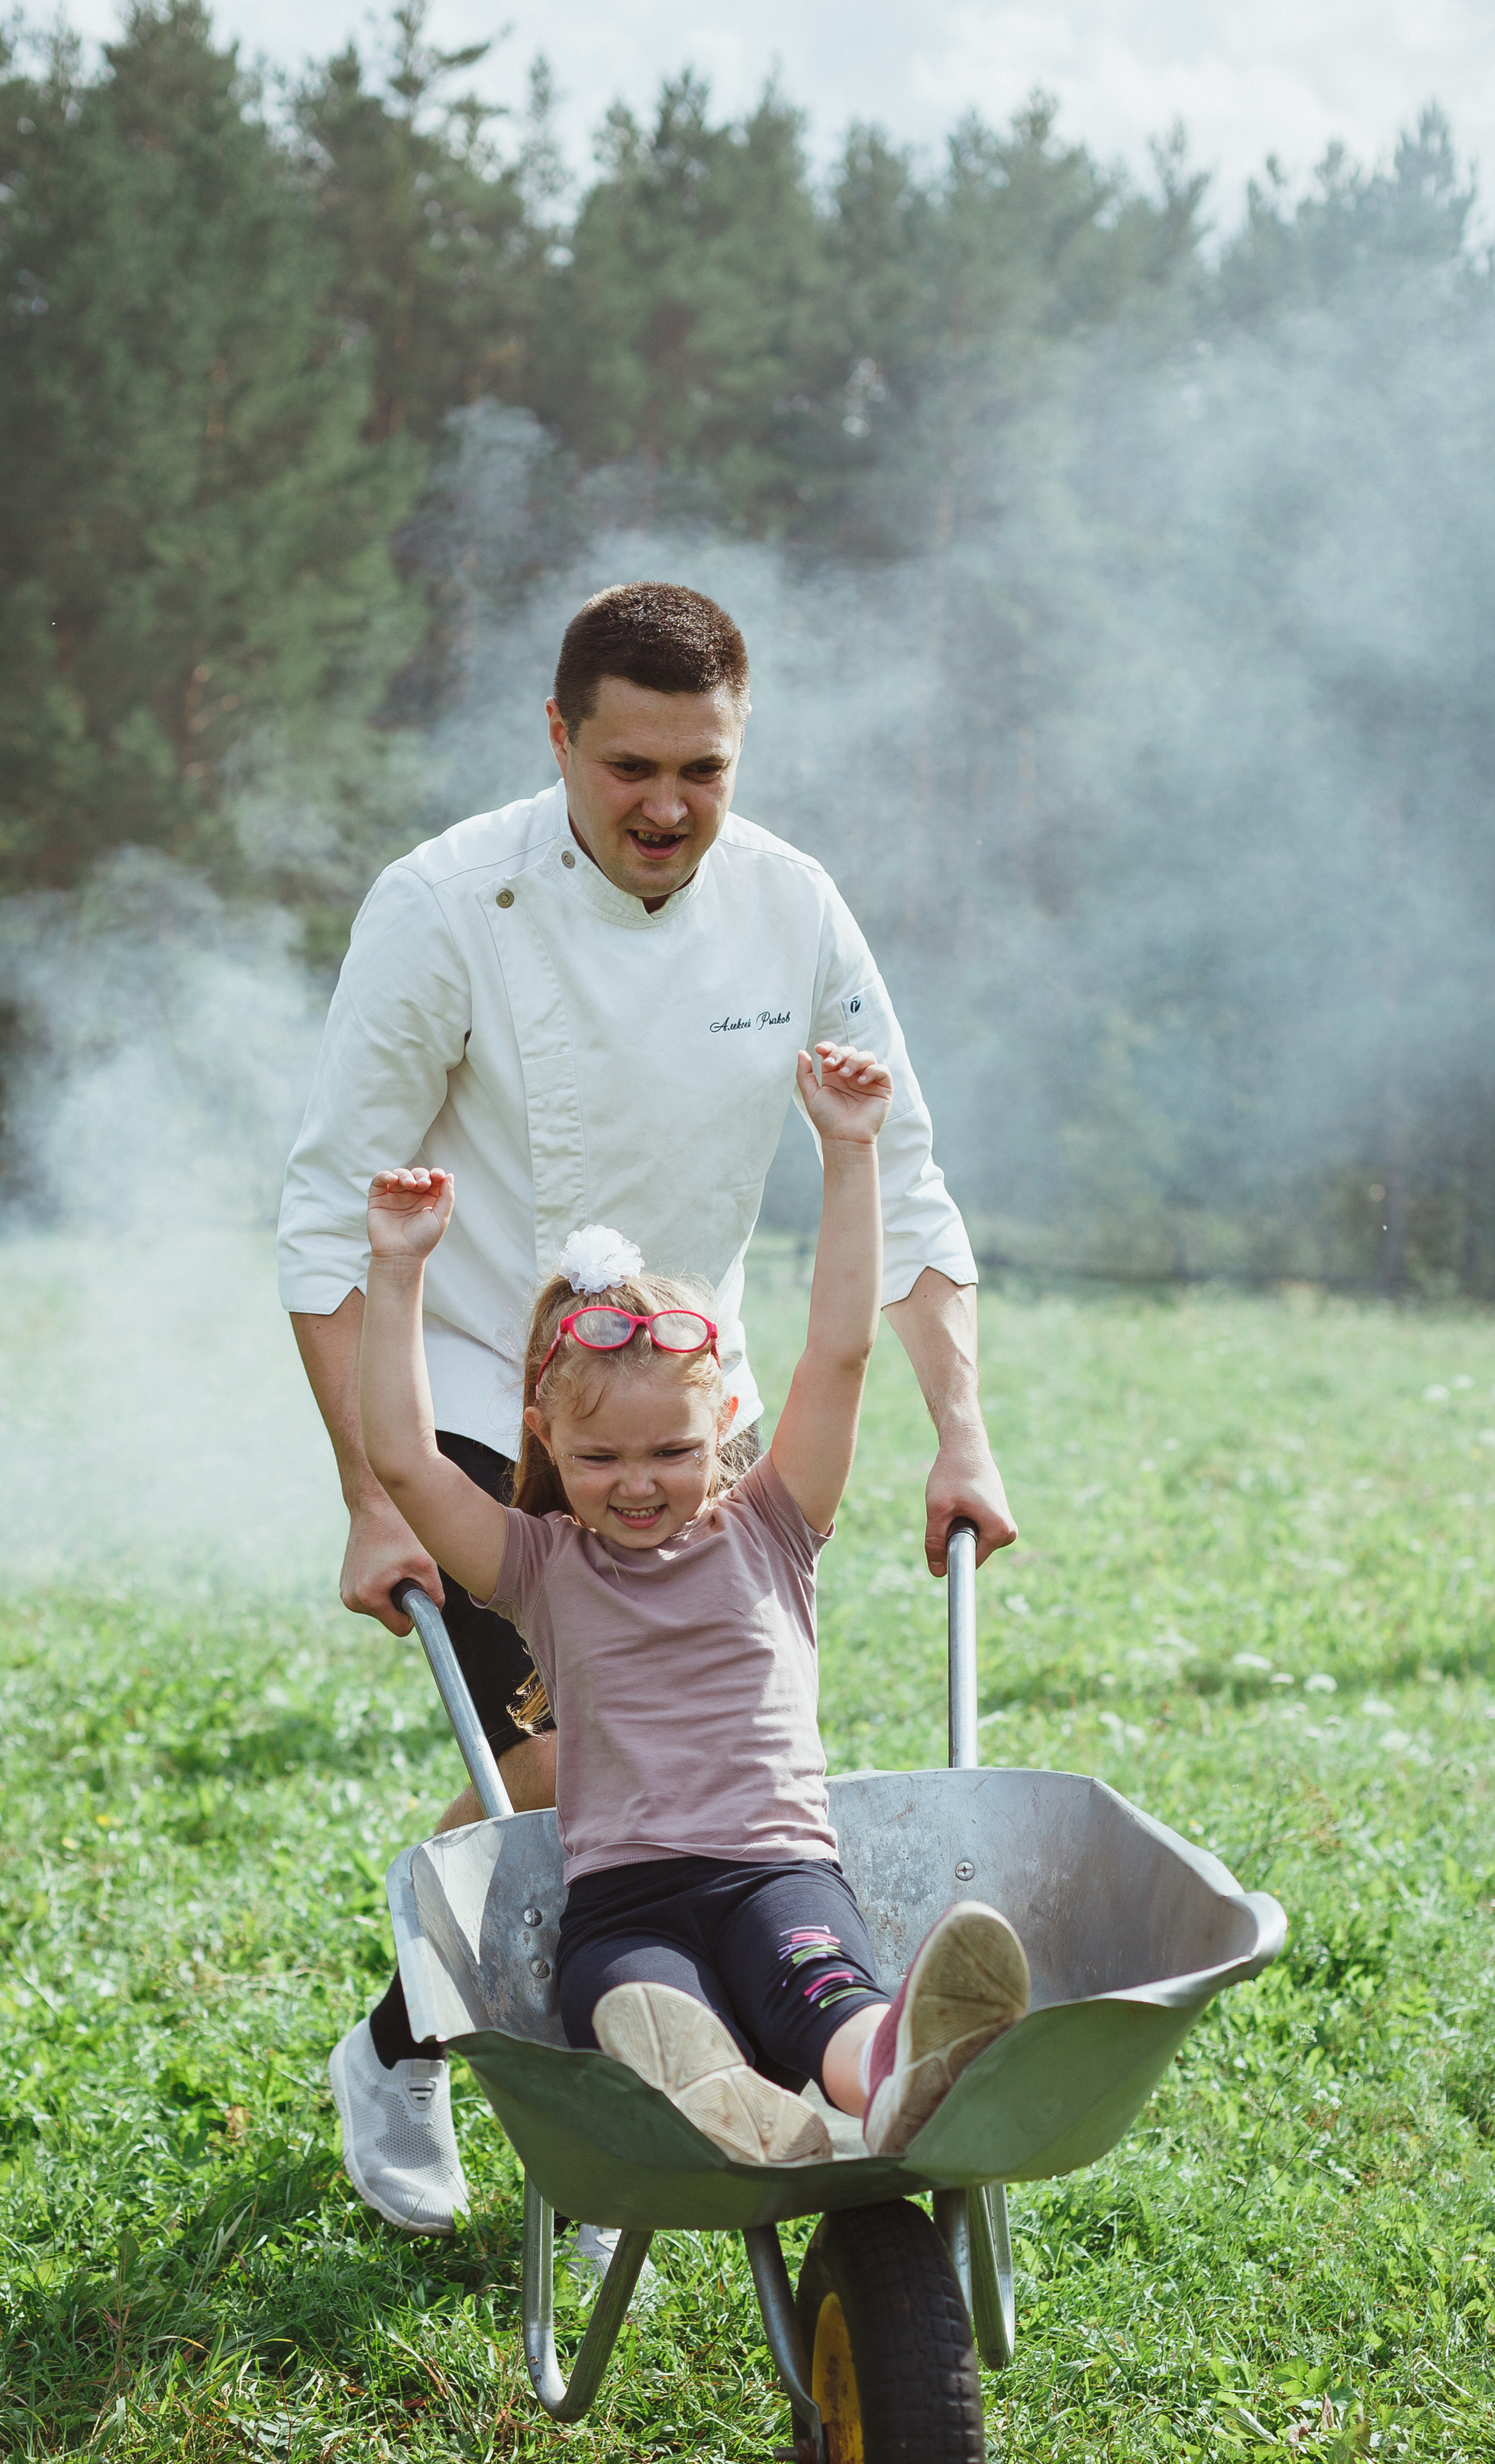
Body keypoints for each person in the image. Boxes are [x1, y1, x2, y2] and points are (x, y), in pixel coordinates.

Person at [279, 579, 1017, 2229]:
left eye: (705, 768)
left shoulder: (790, 906)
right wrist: (369, 1491)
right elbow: (328, 1222)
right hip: (478, 1379)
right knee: (555, 1778)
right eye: (629, 768)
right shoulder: (443, 904)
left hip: (691, 1399)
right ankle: (427, 2049)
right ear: (557, 739)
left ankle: (659, 2057)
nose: (668, 807)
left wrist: (957, 1429)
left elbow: (904, 1179)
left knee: (694, 1770)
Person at [354, 1041, 1030, 2166]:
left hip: (781, 1875)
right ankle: (724, 2099)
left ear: (722, 1428)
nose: (635, 1483)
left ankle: (902, 2066)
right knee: (638, 2007)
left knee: (828, 1997)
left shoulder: (772, 1522)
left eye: (670, 1449)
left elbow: (842, 1351)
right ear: (545, 1440)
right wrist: (397, 1270)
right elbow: (409, 1463)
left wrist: (850, 1150)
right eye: (599, 1456)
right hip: (625, 1907)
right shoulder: (539, 1562)